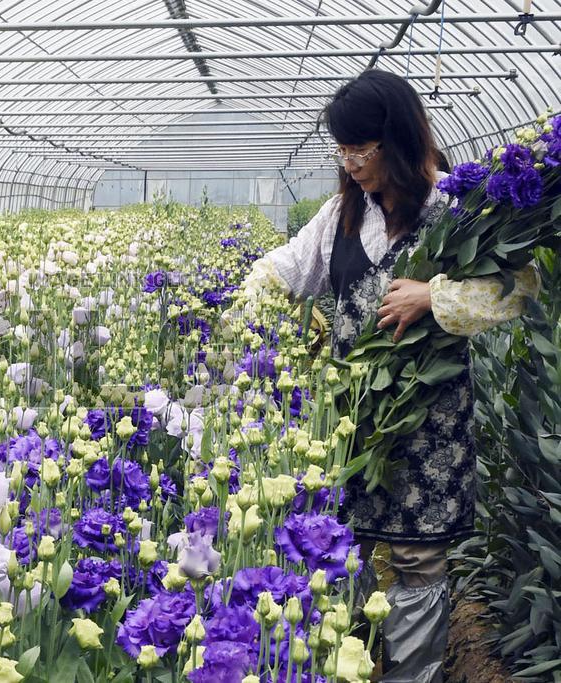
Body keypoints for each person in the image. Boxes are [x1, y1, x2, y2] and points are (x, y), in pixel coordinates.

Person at [242, 69, 539, 682]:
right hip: (352, 419)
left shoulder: (457, 208)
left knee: (416, 557)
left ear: (397, 140)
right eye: (341, 148)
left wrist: (434, 295)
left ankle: (412, 674)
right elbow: (291, 267)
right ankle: (336, 661)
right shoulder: (340, 214)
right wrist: (244, 299)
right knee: (335, 548)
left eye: (360, 148)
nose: (348, 162)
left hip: (430, 423)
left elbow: (518, 290)